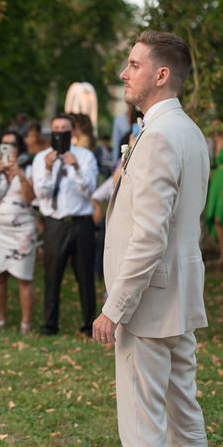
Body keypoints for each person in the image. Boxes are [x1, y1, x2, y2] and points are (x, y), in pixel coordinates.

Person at [93, 31, 209, 447]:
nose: (124, 73)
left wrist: (115, 307)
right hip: (177, 298)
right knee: (184, 417)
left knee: (143, 427)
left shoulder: (159, 136)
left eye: (134, 65)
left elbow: (148, 236)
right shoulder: (190, 131)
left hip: (147, 305)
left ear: (161, 75)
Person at [32, 113, 98, 336]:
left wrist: (76, 168)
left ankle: (90, 324)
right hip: (55, 224)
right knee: (52, 275)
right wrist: (49, 169)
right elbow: (41, 193)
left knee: (85, 275)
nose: (60, 132)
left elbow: (89, 191)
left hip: (81, 223)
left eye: (65, 128)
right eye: (56, 128)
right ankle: (50, 324)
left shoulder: (86, 156)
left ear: (73, 133)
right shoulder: (41, 158)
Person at [0, 130, 36, 331]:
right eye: (4, 144)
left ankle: (26, 323)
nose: (8, 147)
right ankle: (1, 320)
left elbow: (31, 199)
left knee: (24, 277)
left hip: (23, 229)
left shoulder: (29, 168)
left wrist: (19, 175)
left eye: (12, 144)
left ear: (19, 147)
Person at [206, 122, 223, 266]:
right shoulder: (212, 143)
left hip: (222, 180)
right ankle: (221, 254)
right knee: (215, 218)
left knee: (220, 216)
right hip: (216, 180)